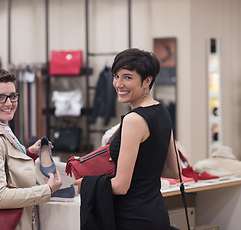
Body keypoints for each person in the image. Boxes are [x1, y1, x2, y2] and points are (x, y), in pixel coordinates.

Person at [74, 48, 180, 230]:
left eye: (128, 77)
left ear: (147, 81)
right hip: (156, 214)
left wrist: (87, 184)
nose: (118, 84)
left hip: (132, 218)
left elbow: (121, 186)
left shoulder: (134, 120)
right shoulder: (163, 111)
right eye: (116, 76)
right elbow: (173, 171)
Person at [0, 68, 62, 230]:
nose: (9, 103)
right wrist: (47, 190)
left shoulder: (0, 130)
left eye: (12, 96)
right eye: (0, 98)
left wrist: (29, 153)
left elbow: (7, 171)